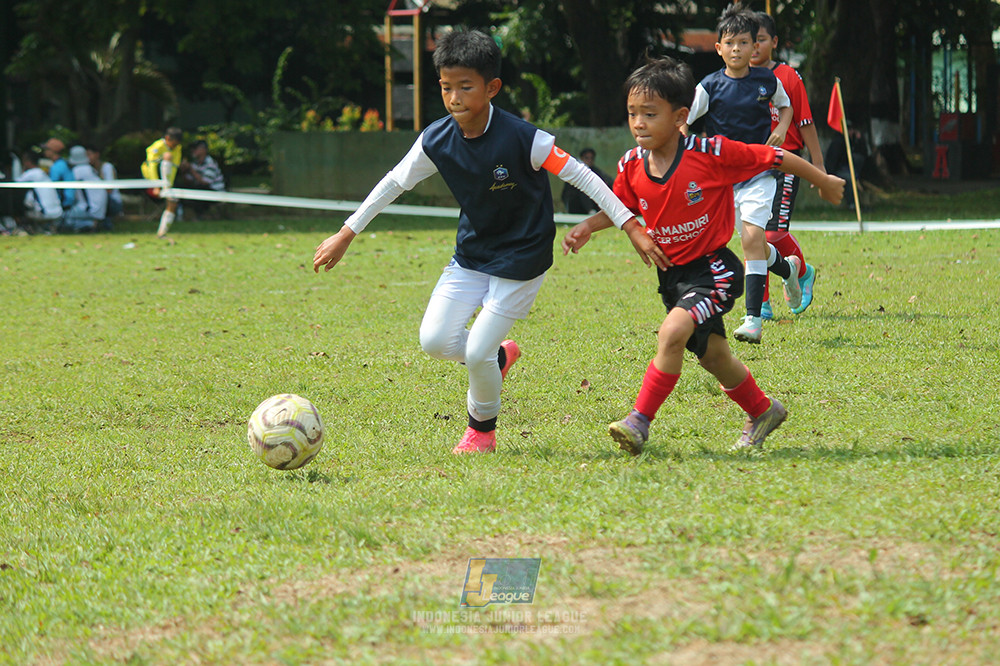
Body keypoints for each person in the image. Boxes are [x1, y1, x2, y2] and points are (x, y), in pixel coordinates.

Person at [313, 29, 639, 455]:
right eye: (446, 87)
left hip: (523, 257)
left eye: (465, 87)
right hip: (472, 254)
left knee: (479, 348)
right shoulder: (435, 139)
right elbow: (394, 182)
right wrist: (347, 232)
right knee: (434, 341)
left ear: (492, 88)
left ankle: (481, 432)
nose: (454, 98)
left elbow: (579, 174)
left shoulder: (526, 138)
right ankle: (499, 360)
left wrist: (628, 223)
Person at [561, 55, 844, 454]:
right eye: (632, 113)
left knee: (671, 333)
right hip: (672, 278)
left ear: (680, 117)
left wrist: (824, 180)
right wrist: (588, 226)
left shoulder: (711, 153)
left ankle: (639, 422)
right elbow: (621, 207)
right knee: (714, 358)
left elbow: (775, 157)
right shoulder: (630, 165)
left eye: (649, 114)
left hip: (713, 271)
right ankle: (764, 410)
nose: (638, 123)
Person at [682, 3, 798, 344]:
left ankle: (752, 319)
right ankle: (788, 269)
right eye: (730, 43)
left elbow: (786, 105)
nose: (737, 49)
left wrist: (782, 130)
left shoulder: (766, 80)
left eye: (744, 43)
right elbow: (684, 122)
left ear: (755, 47)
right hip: (720, 179)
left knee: (750, 239)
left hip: (760, 171)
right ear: (718, 48)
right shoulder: (709, 87)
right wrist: (691, 155)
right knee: (754, 242)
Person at [752, 11, 823, 318]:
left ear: (774, 42)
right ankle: (763, 303)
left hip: (786, 164)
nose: (751, 47)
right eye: (743, 41)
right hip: (752, 168)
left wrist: (818, 169)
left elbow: (805, 122)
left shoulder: (788, 77)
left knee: (772, 235)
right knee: (753, 234)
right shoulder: (737, 80)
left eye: (759, 40)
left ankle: (803, 271)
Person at [141, 127, 183, 238]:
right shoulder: (157, 147)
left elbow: (174, 168)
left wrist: (168, 186)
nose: (175, 147)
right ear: (167, 138)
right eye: (173, 144)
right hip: (150, 180)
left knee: (173, 203)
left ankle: (162, 232)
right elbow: (151, 167)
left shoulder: (178, 149)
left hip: (167, 181)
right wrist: (156, 185)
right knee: (167, 156)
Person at [16, 149, 64, 233]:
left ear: (27, 162)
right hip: (57, 211)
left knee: (19, 207)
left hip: (44, 213)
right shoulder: (42, 173)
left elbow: (15, 183)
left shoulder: (31, 174)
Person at [63, 145, 106, 233]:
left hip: (89, 209)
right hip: (99, 209)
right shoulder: (90, 170)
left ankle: (89, 224)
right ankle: (93, 223)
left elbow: (71, 195)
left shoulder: (77, 171)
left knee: (63, 218)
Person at [179, 139, 226, 217]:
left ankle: (200, 216)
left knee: (199, 189)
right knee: (182, 187)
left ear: (203, 150)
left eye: (195, 149)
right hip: (202, 190)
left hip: (215, 192)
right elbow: (189, 181)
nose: (192, 151)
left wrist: (190, 169)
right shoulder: (195, 163)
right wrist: (184, 171)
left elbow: (205, 182)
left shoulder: (210, 163)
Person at [560, 147, 613, 214]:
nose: (589, 160)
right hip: (575, 203)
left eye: (591, 158)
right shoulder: (575, 169)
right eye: (587, 158)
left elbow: (608, 181)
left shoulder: (595, 170)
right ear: (582, 158)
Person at [87, 145, 123, 228]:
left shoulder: (107, 167)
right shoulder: (90, 169)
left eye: (89, 154)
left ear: (96, 154)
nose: (87, 158)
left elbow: (110, 189)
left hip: (112, 201)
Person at [41, 138, 76, 211]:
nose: (45, 151)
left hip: (64, 205)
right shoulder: (62, 163)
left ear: (53, 151)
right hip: (69, 202)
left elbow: (51, 187)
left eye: (47, 149)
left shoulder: (57, 167)